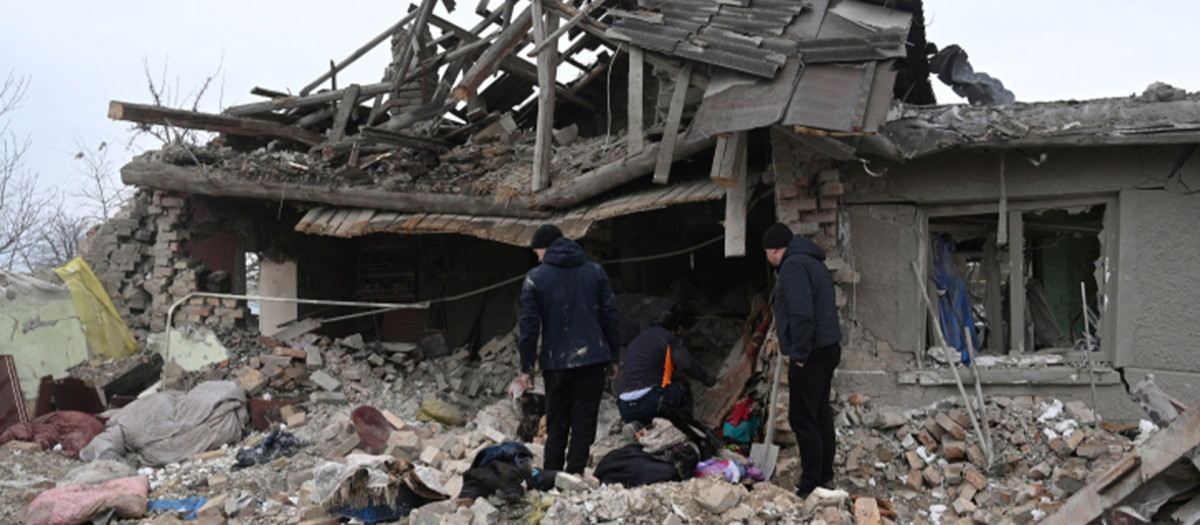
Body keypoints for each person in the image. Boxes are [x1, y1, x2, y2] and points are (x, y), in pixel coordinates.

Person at [518, 224, 621, 474]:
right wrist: (613, 357)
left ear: (546, 248)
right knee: (584, 421)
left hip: (556, 364)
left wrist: (527, 367)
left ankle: (552, 475)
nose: (538, 257)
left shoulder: (535, 278)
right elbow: (610, 316)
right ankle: (574, 474)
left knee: (557, 422)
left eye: (537, 252)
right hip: (594, 360)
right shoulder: (595, 272)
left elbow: (529, 327)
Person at [762, 222, 843, 499]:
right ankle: (825, 478)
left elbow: (802, 313)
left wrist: (798, 354)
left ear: (773, 250)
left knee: (803, 419)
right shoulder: (812, 261)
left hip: (811, 353)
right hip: (827, 348)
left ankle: (810, 485)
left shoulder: (793, 266)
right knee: (819, 416)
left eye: (766, 253)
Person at [616, 303, 716, 426]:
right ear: (680, 329)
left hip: (625, 408)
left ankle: (639, 427)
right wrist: (707, 379)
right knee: (682, 387)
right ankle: (686, 427)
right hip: (649, 401)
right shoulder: (669, 339)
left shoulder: (637, 341)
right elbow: (687, 364)